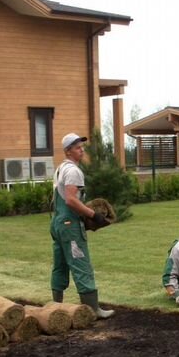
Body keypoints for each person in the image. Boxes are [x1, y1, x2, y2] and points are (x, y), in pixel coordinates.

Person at [50, 132, 114, 319]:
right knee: (81, 263)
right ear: (68, 151)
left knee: (60, 265)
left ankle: (55, 307)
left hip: (57, 223)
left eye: (82, 146)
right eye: (78, 147)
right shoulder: (73, 171)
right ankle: (93, 309)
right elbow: (70, 200)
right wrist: (93, 215)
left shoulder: (60, 168)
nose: (82, 150)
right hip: (70, 225)